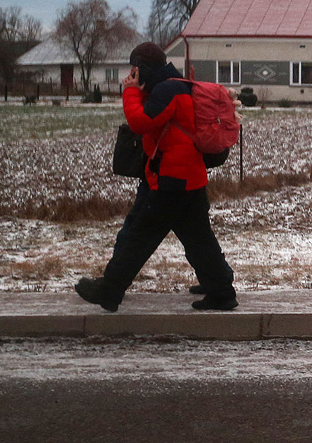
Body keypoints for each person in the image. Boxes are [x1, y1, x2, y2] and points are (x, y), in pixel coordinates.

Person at [74, 42, 237, 312]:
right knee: (198, 239)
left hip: (172, 180)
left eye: (135, 69)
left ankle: (110, 290)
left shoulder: (167, 90)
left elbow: (141, 122)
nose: (132, 74)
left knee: (140, 236)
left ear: (144, 67)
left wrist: (130, 92)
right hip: (188, 177)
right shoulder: (175, 85)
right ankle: (222, 292)